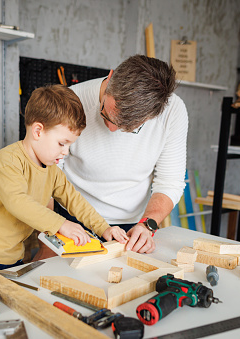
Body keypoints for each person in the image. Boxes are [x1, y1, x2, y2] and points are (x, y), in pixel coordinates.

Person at [0, 84, 129, 269]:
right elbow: (17, 202)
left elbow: (74, 200)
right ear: (38, 131)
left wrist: (104, 228)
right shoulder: (7, 161)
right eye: (62, 143)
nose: (66, 152)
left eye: (69, 145)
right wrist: (62, 224)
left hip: (11, 257)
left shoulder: (52, 170)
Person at [53, 55, 188, 255]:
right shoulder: (72, 100)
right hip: (71, 220)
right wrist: (51, 225)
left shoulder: (172, 112)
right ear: (111, 77)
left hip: (132, 226)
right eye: (105, 114)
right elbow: (48, 170)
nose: (111, 129)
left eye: (128, 128)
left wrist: (147, 225)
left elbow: (169, 182)